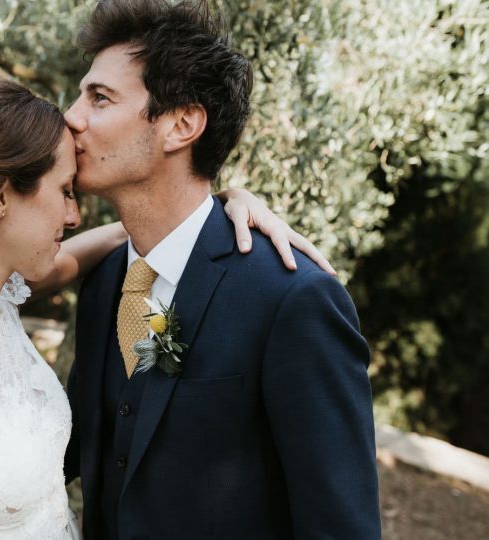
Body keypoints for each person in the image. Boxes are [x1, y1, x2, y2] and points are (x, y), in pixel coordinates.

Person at [0, 73, 333, 539]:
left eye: (101, 96)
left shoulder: (1, 293)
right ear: (0, 196)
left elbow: (152, 237)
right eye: (65, 191)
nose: (72, 216)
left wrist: (224, 204)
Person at [62, 1, 381, 539]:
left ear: (181, 125)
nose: (72, 115)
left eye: (99, 97)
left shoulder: (292, 298)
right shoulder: (103, 282)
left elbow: (340, 527)